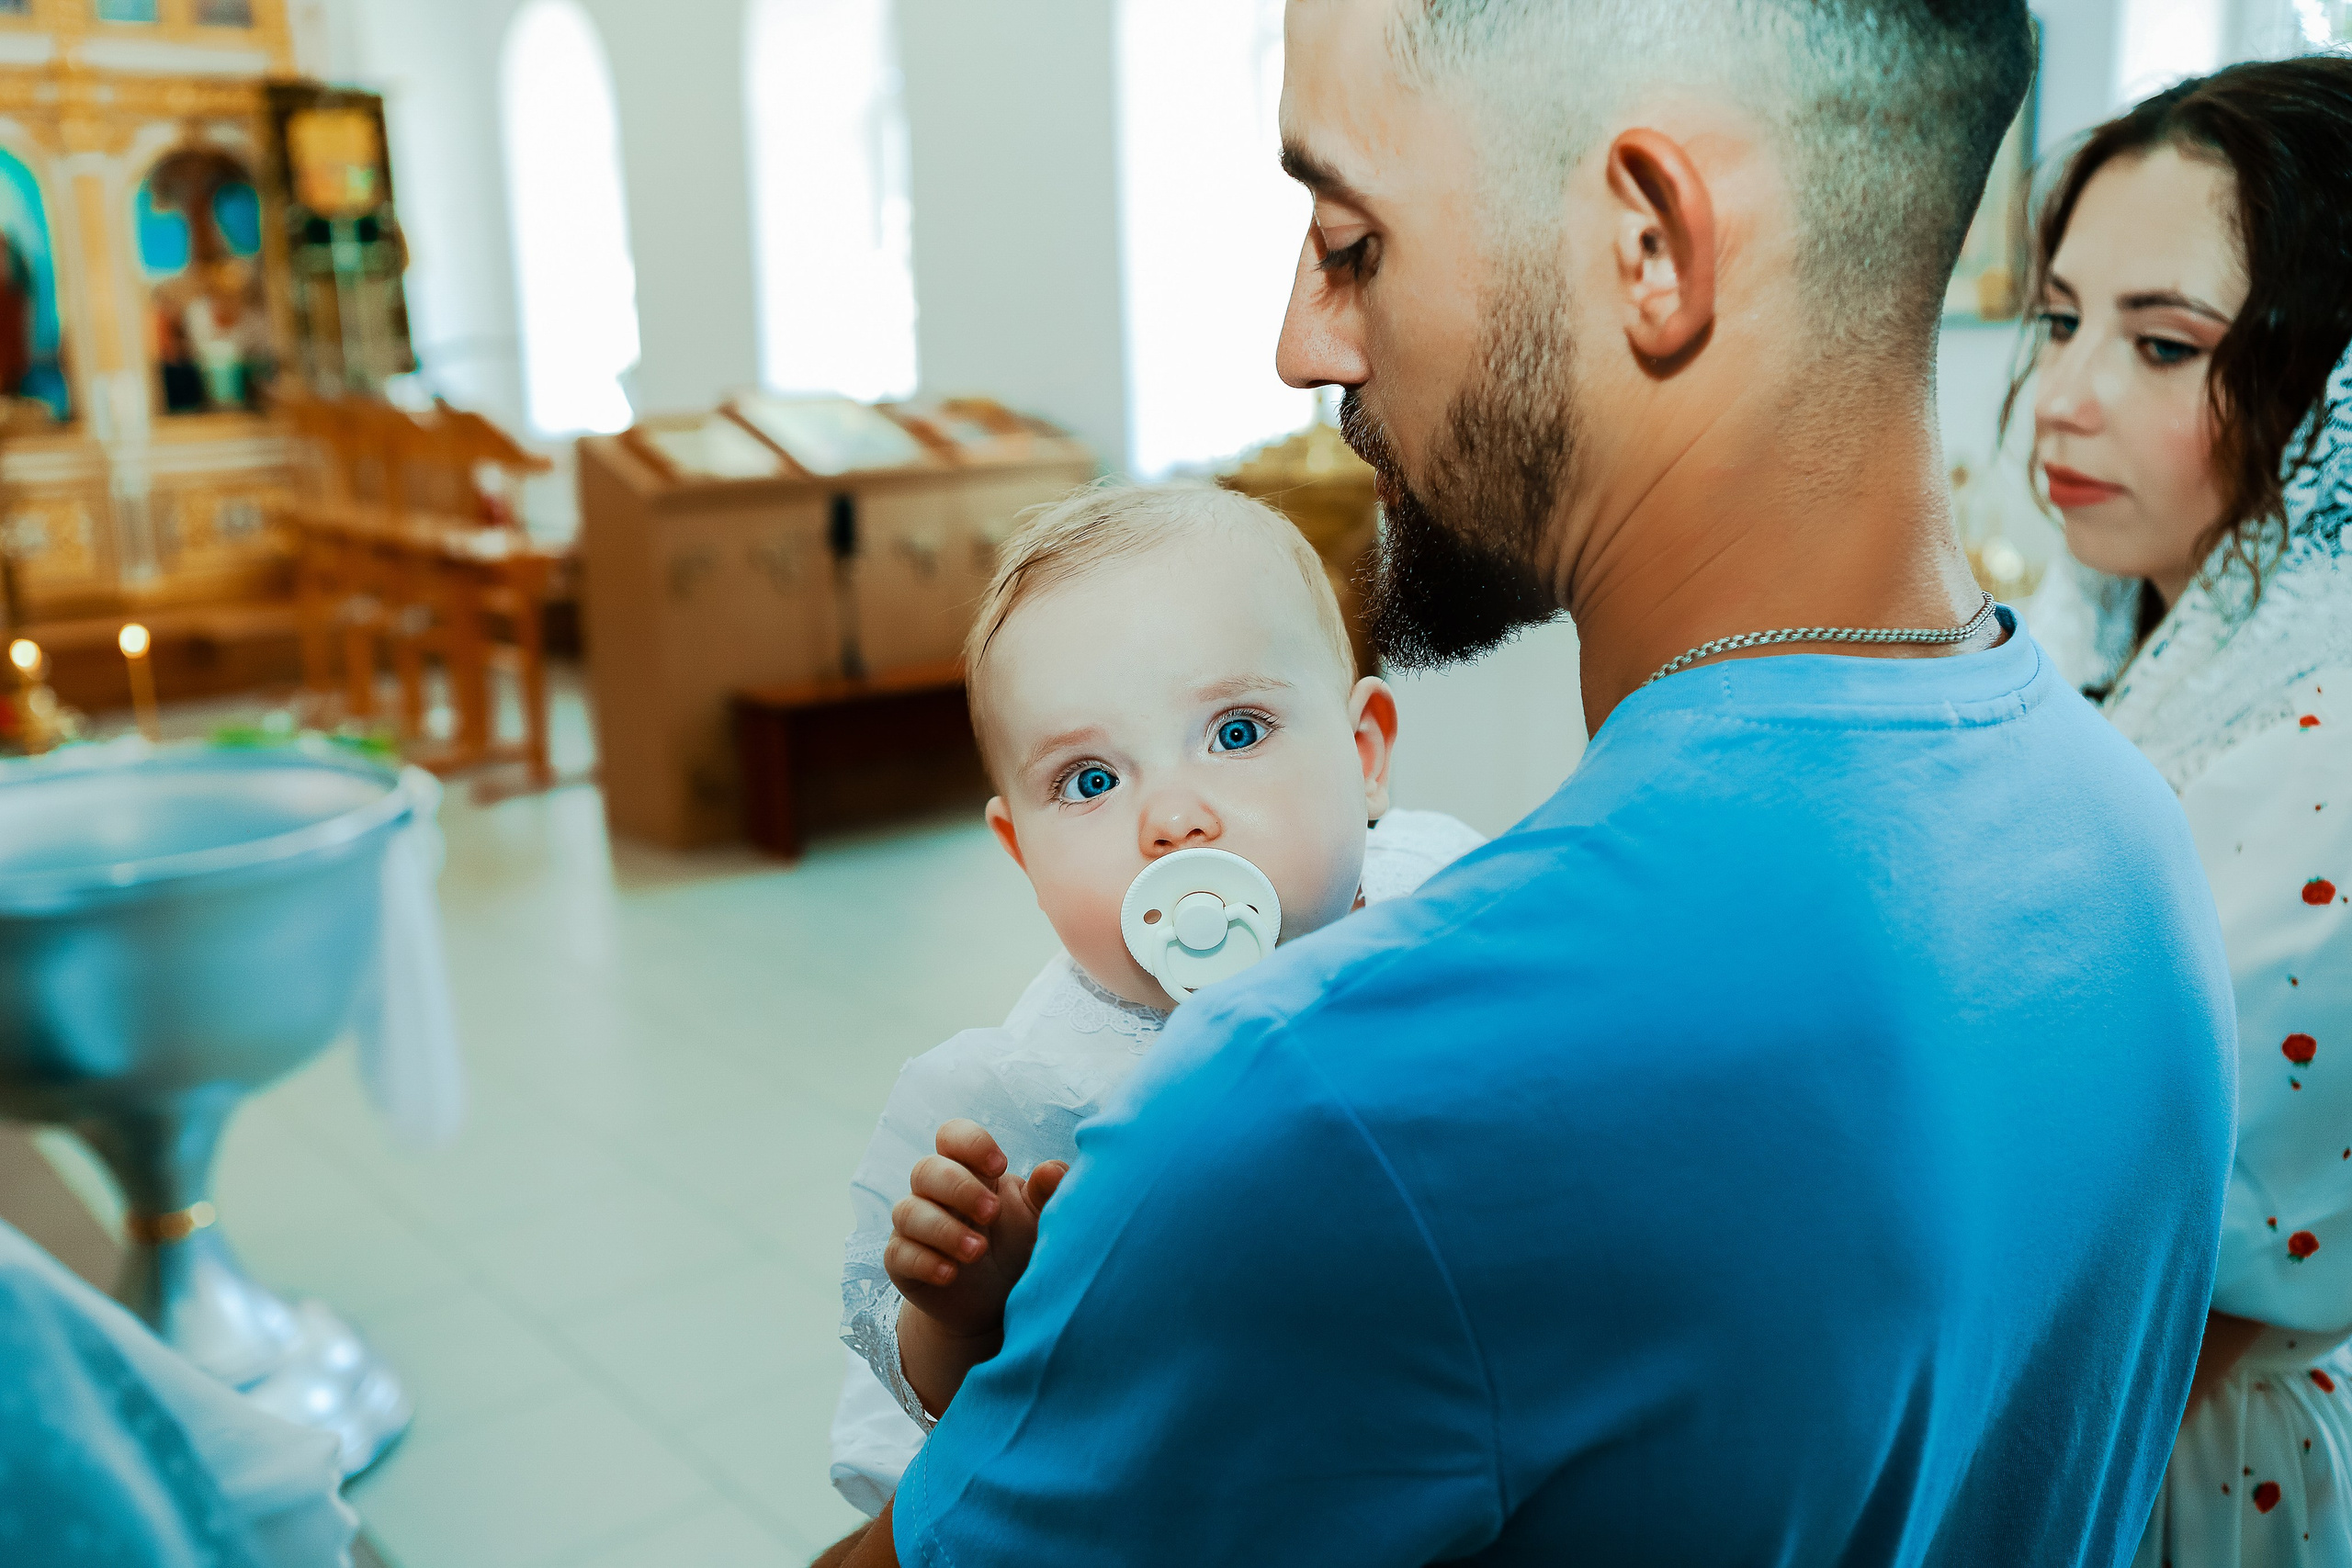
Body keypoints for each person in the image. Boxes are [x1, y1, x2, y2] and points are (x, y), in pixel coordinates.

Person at [841, 1, 2237, 1562]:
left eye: (1352, 241)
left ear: (1649, 247)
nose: (1300, 341)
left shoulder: (1324, 1105)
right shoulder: (2138, 842)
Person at [825, 482, 1484, 1516]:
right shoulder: (1034, 1099)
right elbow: (935, 1433)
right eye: (1089, 781)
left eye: (1235, 732)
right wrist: (970, 1315)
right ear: (1021, 852)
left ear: (1362, 757)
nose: (1174, 817)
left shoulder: (1452, 899)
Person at [2016, 56, 2352, 1568]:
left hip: (2206, 1468)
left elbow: (2163, 1272)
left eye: (2162, 345)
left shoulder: (2328, 748)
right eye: (2064, 317)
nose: (2067, 396)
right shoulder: (2156, 653)